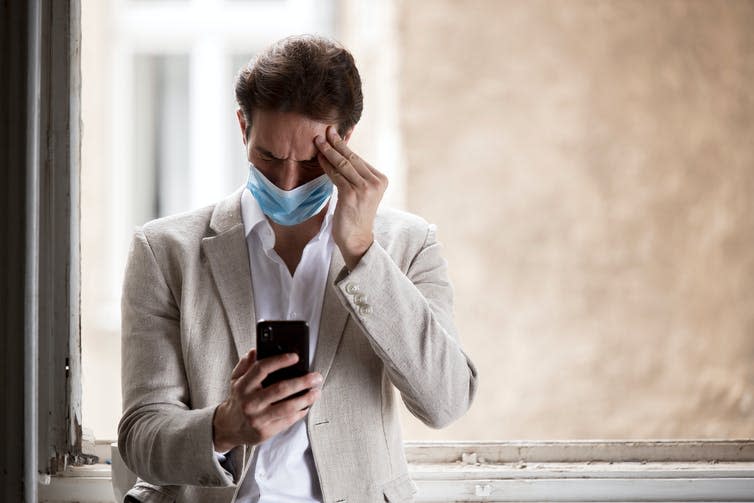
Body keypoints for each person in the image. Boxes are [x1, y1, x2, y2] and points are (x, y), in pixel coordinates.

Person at [118, 34, 478, 503]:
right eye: (268, 157)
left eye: (310, 163)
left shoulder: (408, 244)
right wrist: (223, 427)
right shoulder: (165, 251)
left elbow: (445, 403)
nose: (287, 181)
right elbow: (140, 439)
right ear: (242, 125)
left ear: (345, 141)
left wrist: (362, 252)